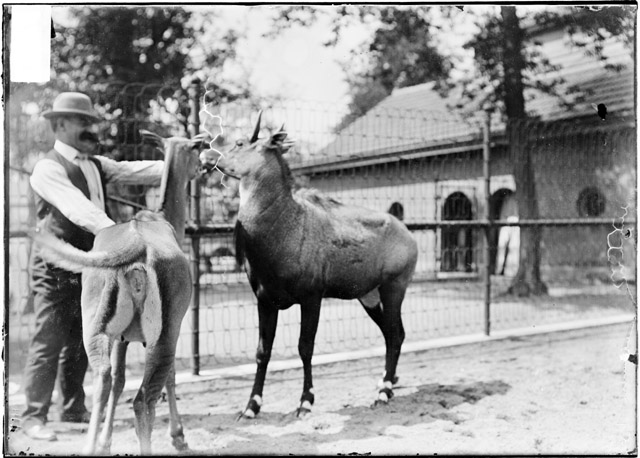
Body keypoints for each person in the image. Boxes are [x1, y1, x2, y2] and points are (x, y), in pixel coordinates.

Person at [22, 92, 166, 441]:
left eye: (91, 121)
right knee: (48, 338)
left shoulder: (97, 164)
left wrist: (182, 159)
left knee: (82, 337)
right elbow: (78, 209)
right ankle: (33, 416)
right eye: (81, 121)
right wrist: (119, 236)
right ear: (59, 125)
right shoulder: (48, 167)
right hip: (55, 267)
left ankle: (73, 408)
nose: (90, 128)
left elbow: (137, 171)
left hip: (92, 266)